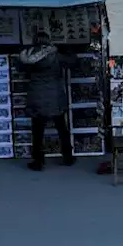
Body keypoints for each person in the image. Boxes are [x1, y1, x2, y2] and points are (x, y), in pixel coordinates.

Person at [19, 31, 78, 171]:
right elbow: (73, 61)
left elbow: (20, 67)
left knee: (38, 131)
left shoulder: (27, 56)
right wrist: (67, 49)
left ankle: (38, 161)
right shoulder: (55, 55)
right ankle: (67, 156)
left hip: (37, 96)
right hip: (55, 97)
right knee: (62, 128)